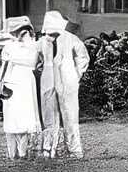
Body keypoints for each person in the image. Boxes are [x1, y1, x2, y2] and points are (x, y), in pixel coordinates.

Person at [37, 10, 90, 159]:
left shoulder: (70, 39)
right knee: (49, 115)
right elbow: (35, 59)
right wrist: (43, 68)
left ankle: (74, 149)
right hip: (48, 79)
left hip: (67, 78)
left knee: (70, 114)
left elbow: (83, 57)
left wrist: (76, 73)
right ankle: (48, 149)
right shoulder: (41, 42)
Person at [0, 15, 42, 160]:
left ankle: (23, 153)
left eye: (24, 32)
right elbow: (4, 65)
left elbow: (32, 62)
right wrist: (0, 82)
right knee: (11, 119)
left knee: (24, 119)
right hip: (11, 84)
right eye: (18, 33)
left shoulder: (35, 46)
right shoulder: (10, 47)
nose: (22, 36)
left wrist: (13, 57)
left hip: (26, 84)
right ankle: (12, 153)